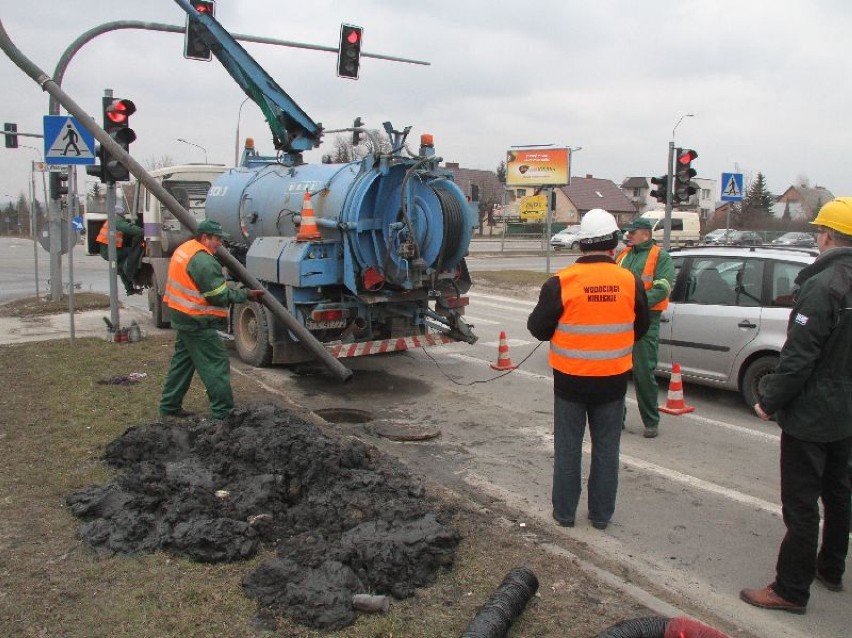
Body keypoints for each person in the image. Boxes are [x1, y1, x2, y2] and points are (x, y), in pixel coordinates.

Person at [740, 197, 852, 614]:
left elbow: (799, 357)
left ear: (826, 236)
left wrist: (770, 401)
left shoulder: (823, 286)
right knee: (839, 492)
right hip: (845, 410)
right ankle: (832, 568)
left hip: (812, 413)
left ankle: (790, 589)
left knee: (802, 503)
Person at [527, 209, 649, 530]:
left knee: (568, 449)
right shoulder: (629, 281)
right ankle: (600, 516)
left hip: (570, 383)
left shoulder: (561, 282)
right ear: (613, 243)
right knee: (607, 451)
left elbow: (538, 329)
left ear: (581, 245)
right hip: (612, 384)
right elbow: (642, 328)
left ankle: (564, 513)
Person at [158, 219, 265, 421]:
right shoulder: (204, 261)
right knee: (216, 363)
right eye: (217, 239)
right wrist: (246, 295)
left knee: (182, 363)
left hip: (182, 315)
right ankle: (222, 413)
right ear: (205, 237)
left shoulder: (186, 249)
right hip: (196, 319)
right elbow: (219, 295)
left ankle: (169, 407)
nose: (220, 244)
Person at [616, 217, 674, 438]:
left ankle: (651, 421)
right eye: (628, 233)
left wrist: (633, 303)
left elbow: (662, 289)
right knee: (618, 372)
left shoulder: (660, 257)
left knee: (643, 373)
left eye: (632, 232)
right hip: (621, 322)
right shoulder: (623, 256)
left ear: (645, 235)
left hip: (646, 322)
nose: (628, 236)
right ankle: (616, 419)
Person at [96, 206, 144, 295]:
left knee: (120, 268)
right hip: (110, 251)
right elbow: (128, 228)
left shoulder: (112, 219)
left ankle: (129, 289)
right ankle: (130, 268)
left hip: (108, 250)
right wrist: (145, 231)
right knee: (133, 251)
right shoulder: (116, 220)